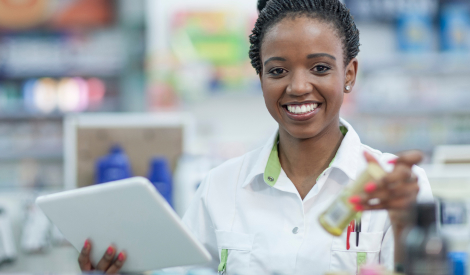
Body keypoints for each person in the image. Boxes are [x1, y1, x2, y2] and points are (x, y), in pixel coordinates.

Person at [78, 0, 433, 274]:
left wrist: (405, 228)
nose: (297, 87)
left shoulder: (396, 184)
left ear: (349, 74)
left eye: (320, 68)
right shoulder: (220, 187)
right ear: (260, 77)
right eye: (277, 70)